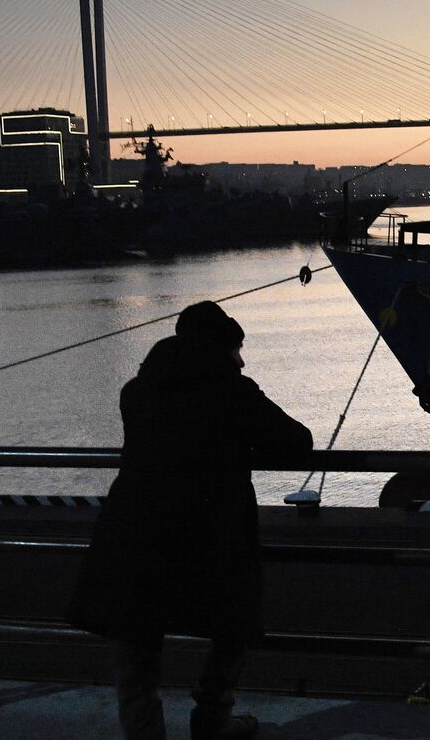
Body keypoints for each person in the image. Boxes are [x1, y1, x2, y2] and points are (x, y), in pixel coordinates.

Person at [70, 301, 313, 740]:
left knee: (136, 642)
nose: (241, 359)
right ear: (221, 350)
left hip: (131, 538)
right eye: (237, 349)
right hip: (210, 542)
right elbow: (298, 443)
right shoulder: (234, 393)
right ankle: (213, 720)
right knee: (234, 625)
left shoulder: (136, 393)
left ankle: (144, 732)